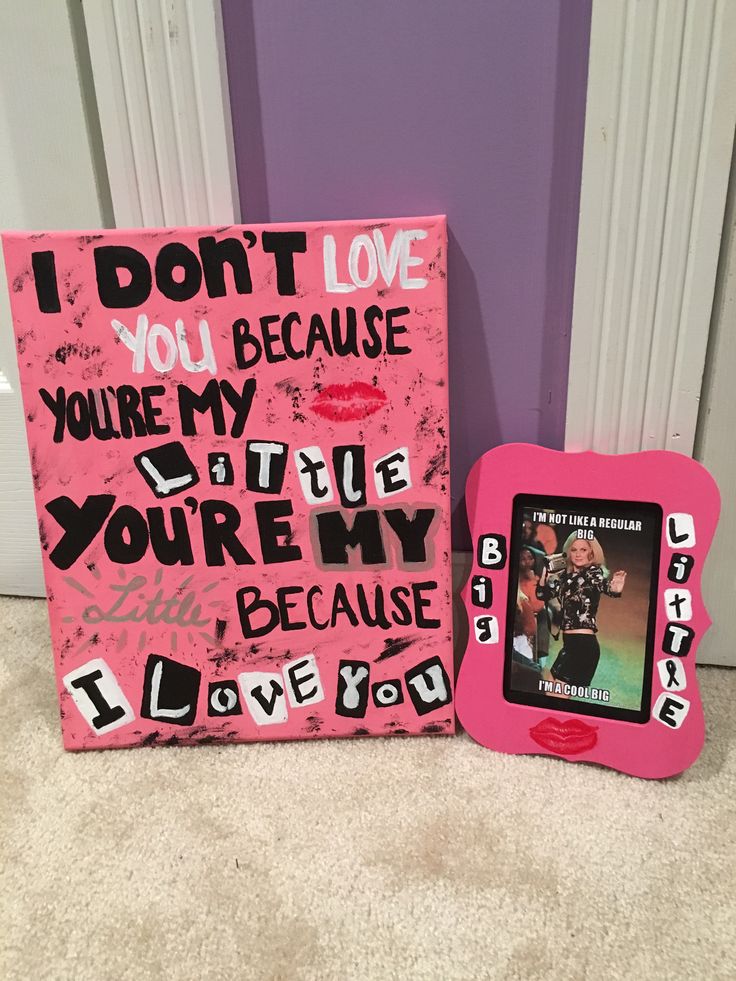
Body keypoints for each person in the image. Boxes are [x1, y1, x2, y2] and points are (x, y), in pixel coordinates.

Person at [537, 534, 626, 687]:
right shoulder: (565, 578)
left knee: (555, 696)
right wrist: (546, 574)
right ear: (568, 553)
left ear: (591, 553)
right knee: (548, 691)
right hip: (569, 645)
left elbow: (604, 586)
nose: (578, 554)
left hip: (583, 646)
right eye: (574, 550)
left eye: (583, 550)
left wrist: (614, 588)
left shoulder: (592, 573)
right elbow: (542, 595)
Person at [517, 545, 549, 661]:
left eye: (530, 558)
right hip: (518, 617)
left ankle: (541, 653)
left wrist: (532, 581)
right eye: (523, 559)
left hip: (530, 617)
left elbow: (537, 606)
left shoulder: (535, 579)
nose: (527, 562)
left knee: (545, 613)